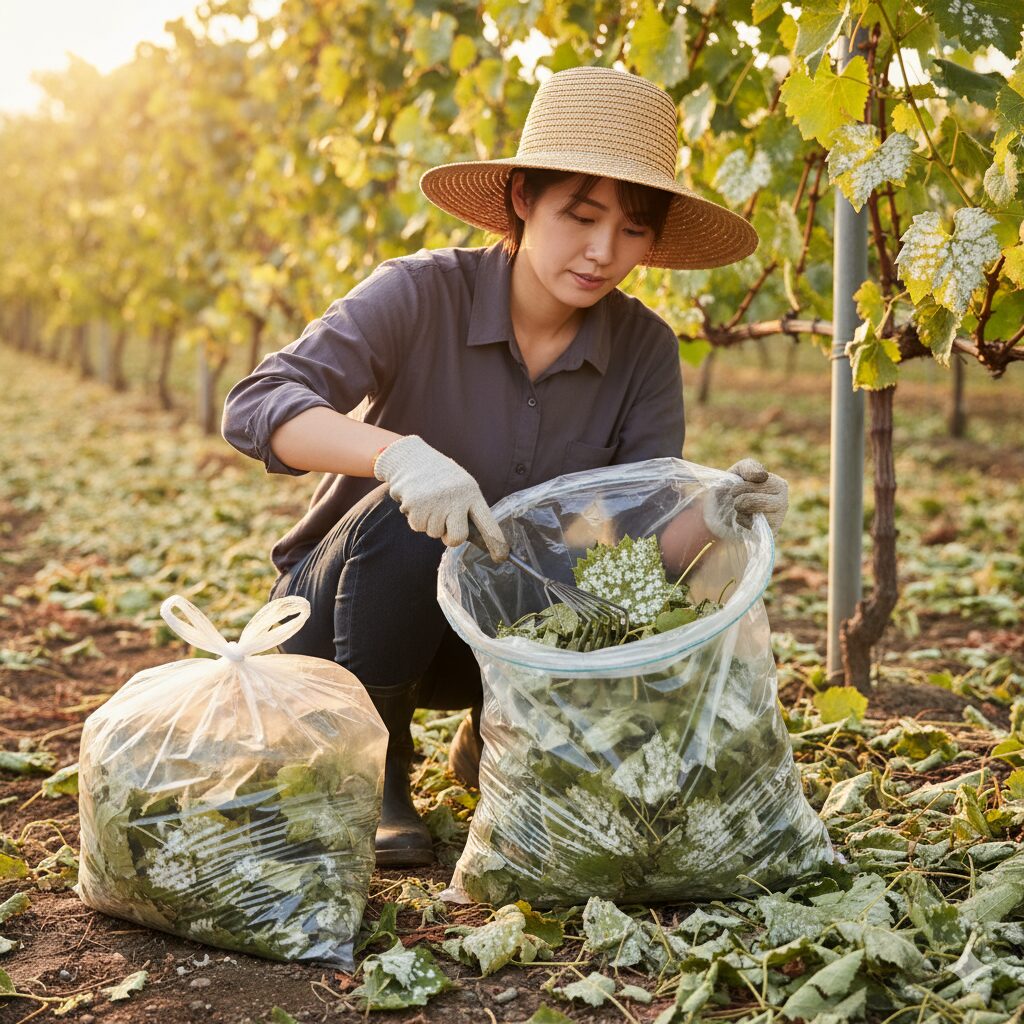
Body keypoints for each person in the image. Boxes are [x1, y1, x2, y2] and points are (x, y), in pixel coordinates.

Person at [221, 66, 789, 867]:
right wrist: (395, 455)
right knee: (416, 520)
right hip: (340, 624)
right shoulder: (420, 293)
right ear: (523, 197)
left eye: (631, 231)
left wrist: (713, 515)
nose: (603, 253)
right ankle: (379, 767)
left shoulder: (643, 349)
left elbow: (624, 555)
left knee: (589, 592)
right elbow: (256, 404)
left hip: (502, 636)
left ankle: (495, 731)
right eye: (580, 216)